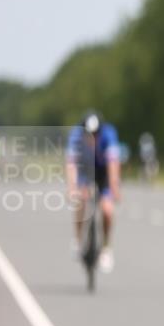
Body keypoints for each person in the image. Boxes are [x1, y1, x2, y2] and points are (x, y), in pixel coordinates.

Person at [66, 111, 121, 272]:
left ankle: (106, 248)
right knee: (80, 200)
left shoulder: (109, 135)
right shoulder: (75, 136)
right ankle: (77, 240)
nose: (92, 138)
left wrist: (114, 187)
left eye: (95, 135)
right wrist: (72, 188)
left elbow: (113, 165)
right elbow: (71, 165)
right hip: (85, 171)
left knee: (107, 210)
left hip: (103, 172)